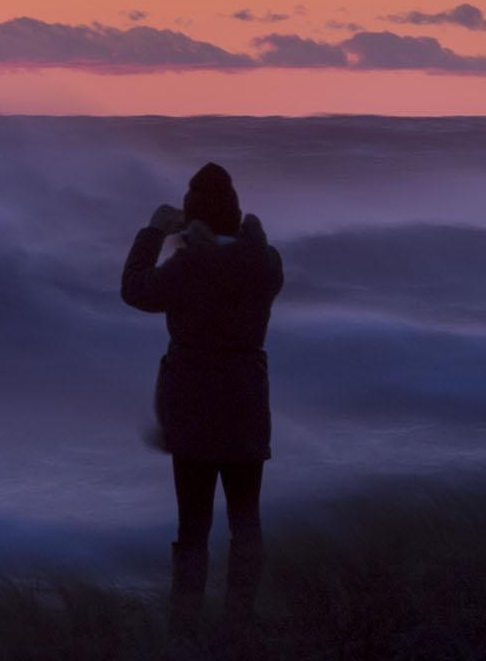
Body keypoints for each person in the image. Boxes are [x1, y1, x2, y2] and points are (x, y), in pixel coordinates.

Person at [122, 162, 284, 647]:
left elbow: (134, 289)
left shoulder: (187, 266)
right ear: (235, 215)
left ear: (193, 218)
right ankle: (239, 622)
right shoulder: (265, 263)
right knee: (245, 520)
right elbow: (247, 256)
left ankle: (185, 627)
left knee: (193, 525)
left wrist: (154, 230)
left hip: (192, 410)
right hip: (245, 406)